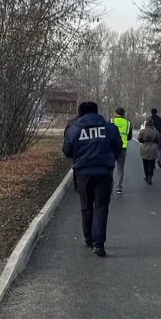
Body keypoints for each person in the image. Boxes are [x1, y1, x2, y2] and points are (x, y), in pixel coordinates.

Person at [63, 102, 123, 257]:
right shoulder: (109, 128)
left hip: (83, 173)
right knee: (102, 207)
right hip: (104, 171)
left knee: (86, 205)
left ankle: (88, 238)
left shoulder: (75, 129)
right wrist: (110, 158)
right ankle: (99, 244)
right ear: (96, 112)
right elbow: (118, 145)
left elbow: (67, 151)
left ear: (80, 113)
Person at [111, 107, 133, 194]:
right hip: (123, 147)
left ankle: (110, 185)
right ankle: (119, 187)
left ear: (116, 113)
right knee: (120, 168)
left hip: (112, 147)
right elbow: (130, 137)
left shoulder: (112, 121)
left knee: (110, 167)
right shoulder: (128, 123)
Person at [137, 120, 160, 185]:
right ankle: (150, 177)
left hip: (144, 147)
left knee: (145, 164)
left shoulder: (142, 131)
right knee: (152, 164)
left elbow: (139, 139)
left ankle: (146, 176)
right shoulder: (155, 132)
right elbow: (158, 140)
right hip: (153, 148)